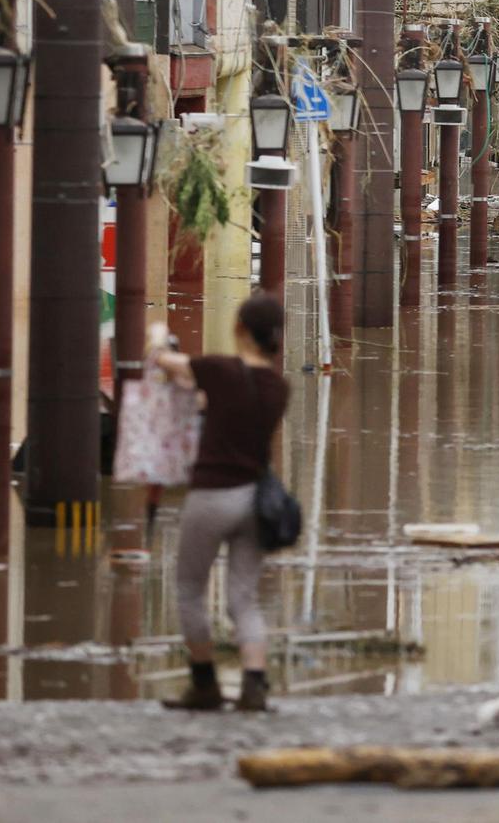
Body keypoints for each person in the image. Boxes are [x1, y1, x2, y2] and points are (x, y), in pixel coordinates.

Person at [154, 292, 292, 713]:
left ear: (239, 330)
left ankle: (205, 684)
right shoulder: (278, 387)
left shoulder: (220, 370)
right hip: (255, 501)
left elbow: (165, 362)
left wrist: (157, 337)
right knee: (243, 599)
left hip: (212, 497)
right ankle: (254, 685)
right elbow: (224, 409)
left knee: (190, 589)